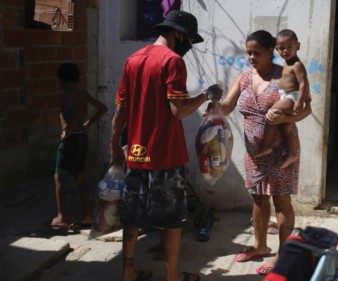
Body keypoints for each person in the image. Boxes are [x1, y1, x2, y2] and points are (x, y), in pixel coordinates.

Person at [110, 10, 222, 281]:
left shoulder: (132, 60)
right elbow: (179, 111)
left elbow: (120, 112)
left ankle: (128, 273)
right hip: (165, 155)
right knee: (172, 219)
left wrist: (114, 147)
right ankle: (173, 276)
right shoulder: (172, 62)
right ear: (179, 34)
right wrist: (206, 95)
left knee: (132, 217)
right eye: (189, 40)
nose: (188, 46)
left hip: (135, 154)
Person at [210, 30, 311, 275]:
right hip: (255, 152)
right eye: (249, 53)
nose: (252, 57)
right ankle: (259, 245)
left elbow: (306, 108)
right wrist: (212, 105)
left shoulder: (284, 73)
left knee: (281, 199)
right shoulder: (244, 78)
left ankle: (283, 257)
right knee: (257, 197)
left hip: (280, 149)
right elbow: (227, 105)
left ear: (270, 51)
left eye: (257, 53)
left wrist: (284, 117)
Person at [49, 62, 108, 230]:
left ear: (63, 81)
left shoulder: (66, 98)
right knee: (79, 176)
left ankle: (61, 217)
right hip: (82, 138)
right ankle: (88, 215)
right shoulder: (83, 94)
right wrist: (88, 124)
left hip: (71, 140)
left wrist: (66, 132)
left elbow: (74, 117)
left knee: (59, 177)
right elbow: (102, 108)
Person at [256, 29, 310, 169]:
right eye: (281, 48)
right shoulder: (287, 64)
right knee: (286, 127)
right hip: (286, 95)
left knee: (271, 114)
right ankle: (292, 153)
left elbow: (303, 83)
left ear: (297, 46)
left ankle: (266, 145)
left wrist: (299, 101)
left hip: (292, 96)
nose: (285, 51)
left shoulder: (297, 65)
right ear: (276, 49)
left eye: (289, 47)